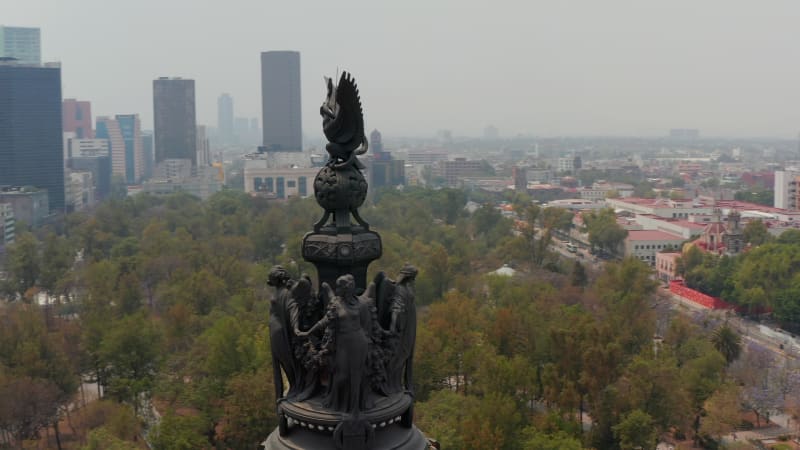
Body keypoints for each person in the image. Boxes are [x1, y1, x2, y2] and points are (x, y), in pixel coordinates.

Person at [299, 274, 374, 414]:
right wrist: (308, 332)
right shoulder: (336, 304)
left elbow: (366, 326)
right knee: (342, 376)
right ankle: (340, 403)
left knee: (357, 375)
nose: (337, 289)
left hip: (358, 343)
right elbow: (324, 321)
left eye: (340, 286)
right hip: (342, 345)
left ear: (348, 288)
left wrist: (368, 346)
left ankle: (355, 409)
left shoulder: (361, 304)